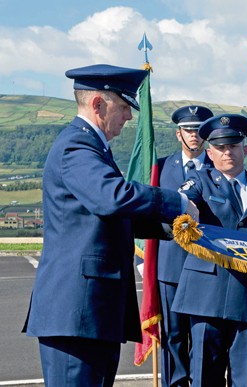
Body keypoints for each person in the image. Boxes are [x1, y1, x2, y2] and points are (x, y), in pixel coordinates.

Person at [23, 64, 199, 385]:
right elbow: (113, 197)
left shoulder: (94, 149)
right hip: (75, 314)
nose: (129, 117)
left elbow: (117, 218)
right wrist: (176, 202)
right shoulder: (76, 146)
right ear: (98, 104)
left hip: (95, 313)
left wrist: (175, 227)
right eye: (123, 106)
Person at [172, 113, 247, 386]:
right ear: (209, 153)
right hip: (205, 294)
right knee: (204, 375)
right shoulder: (199, 183)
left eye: (233, 146)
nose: (227, 153)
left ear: (245, 150)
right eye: (220, 148)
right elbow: (183, 203)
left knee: (245, 377)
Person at [156, 105, 214, 387]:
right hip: (171, 264)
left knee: (204, 336)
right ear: (178, 134)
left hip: (207, 264)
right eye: (188, 130)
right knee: (174, 334)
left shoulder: (220, 167)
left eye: (199, 130)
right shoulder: (160, 167)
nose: (194, 135)